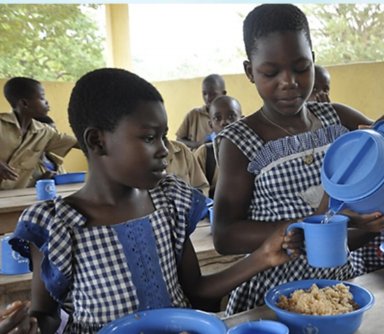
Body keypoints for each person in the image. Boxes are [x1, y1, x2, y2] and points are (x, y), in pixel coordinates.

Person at [8, 68, 300, 334]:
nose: (164, 150)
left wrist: (263, 256)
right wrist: (29, 326)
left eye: (164, 136)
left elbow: (196, 290)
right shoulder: (58, 224)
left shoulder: (170, 201)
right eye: (149, 138)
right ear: (98, 141)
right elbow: (45, 315)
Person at [213, 4, 384, 315]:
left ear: (313, 60)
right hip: (275, 292)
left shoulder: (338, 119)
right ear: (250, 72)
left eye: (301, 67)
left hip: (344, 283)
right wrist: (305, 228)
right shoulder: (239, 141)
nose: (289, 82)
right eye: (271, 72)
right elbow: (224, 235)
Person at [0, 77, 78, 190]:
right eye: (42, 98)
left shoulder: (45, 132)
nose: (46, 102)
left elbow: (79, 142)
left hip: (14, 198)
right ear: (24, 103)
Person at [194, 95, 242, 199]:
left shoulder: (253, 151)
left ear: (242, 120)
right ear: (211, 125)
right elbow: (197, 192)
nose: (224, 122)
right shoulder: (205, 154)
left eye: (231, 116)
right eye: (217, 118)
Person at [176, 74, 226, 150]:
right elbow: (178, 141)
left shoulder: (229, 116)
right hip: (197, 160)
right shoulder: (193, 115)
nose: (208, 98)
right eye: (204, 93)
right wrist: (197, 144)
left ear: (223, 94)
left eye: (213, 94)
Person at [33, 115, 67, 180]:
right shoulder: (23, 163)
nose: (55, 137)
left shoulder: (56, 160)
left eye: (55, 133)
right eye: (50, 133)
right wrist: (42, 181)